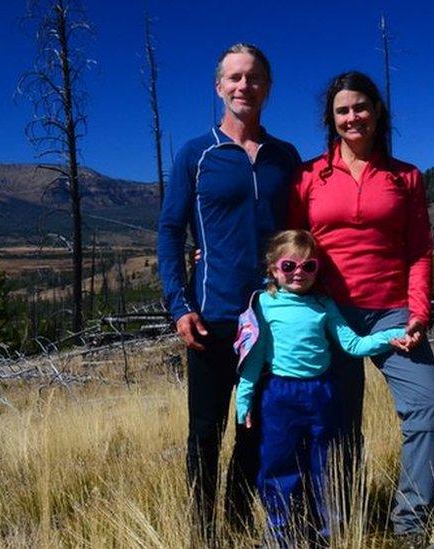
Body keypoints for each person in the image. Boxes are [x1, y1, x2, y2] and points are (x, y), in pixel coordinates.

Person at [288, 70, 434, 541]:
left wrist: (419, 311)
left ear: (377, 112)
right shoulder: (309, 177)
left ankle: (410, 523)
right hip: (330, 315)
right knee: (337, 424)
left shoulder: (406, 177)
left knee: (428, 407)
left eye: (361, 107)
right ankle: (344, 523)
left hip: (393, 313)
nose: (353, 116)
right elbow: (291, 248)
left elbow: (419, 249)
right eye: (343, 110)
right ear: (331, 119)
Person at [156, 43, 301, 541]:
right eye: (235, 78)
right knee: (205, 433)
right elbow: (171, 230)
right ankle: (202, 532)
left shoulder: (286, 158)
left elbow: (299, 236)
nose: (245, 86)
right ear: (219, 87)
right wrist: (179, 305)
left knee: (254, 429)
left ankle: (238, 526)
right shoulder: (197, 154)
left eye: (254, 77)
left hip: (271, 318)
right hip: (212, 316)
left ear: (268, 87)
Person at [234, 230, 407, 546]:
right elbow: (253, 358)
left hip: (321, 395)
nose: (298, 272)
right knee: (277, 464)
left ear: (317, 269)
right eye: (289, 266)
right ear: (273, 268)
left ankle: (329, 533)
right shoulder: (263, 305)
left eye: (308, 266)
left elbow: (353, 344)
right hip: (279, 396)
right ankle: (280, 533)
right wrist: (244, 399)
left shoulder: (324, 305)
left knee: (323, 466)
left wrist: (390, 335)